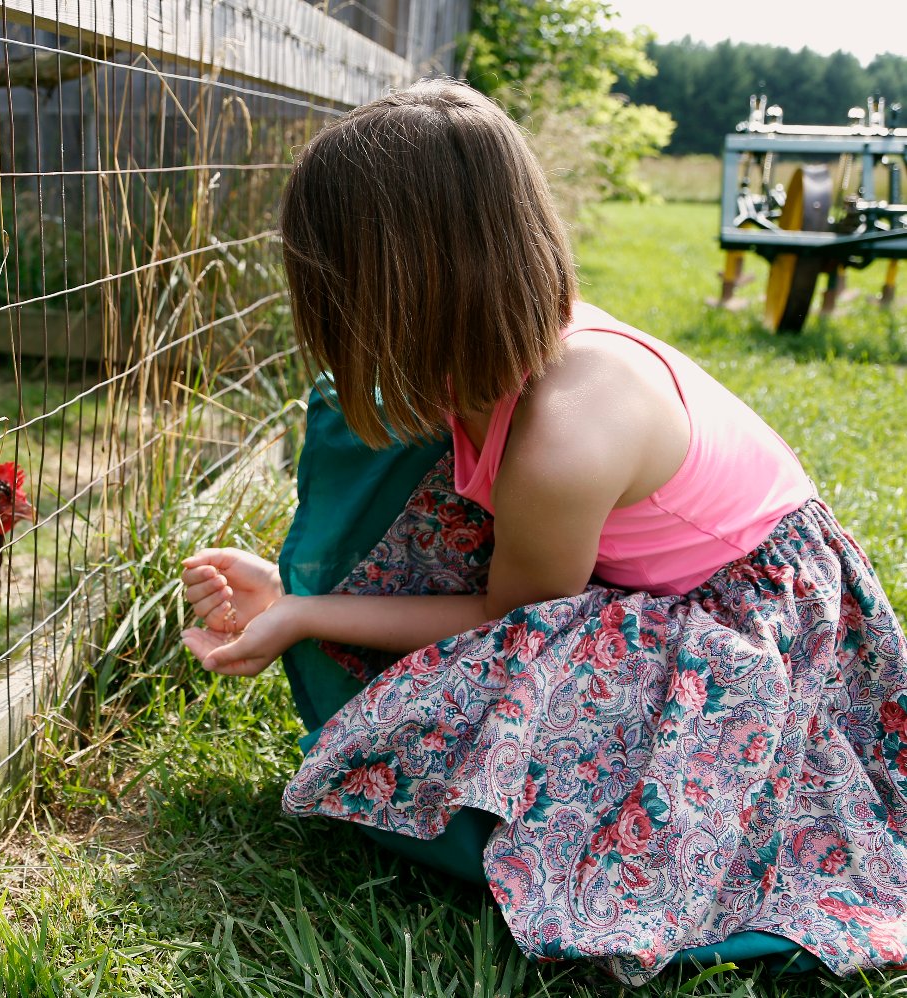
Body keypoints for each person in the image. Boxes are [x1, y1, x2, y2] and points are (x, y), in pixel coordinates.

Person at [179, 78, 907, 984]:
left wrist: (305, 613)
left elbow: (511, 623)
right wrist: (301, 603)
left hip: (763, 624)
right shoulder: (491, 367)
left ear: (394, 284)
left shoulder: (564, 436)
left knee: (545, 695)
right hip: (659, 578)